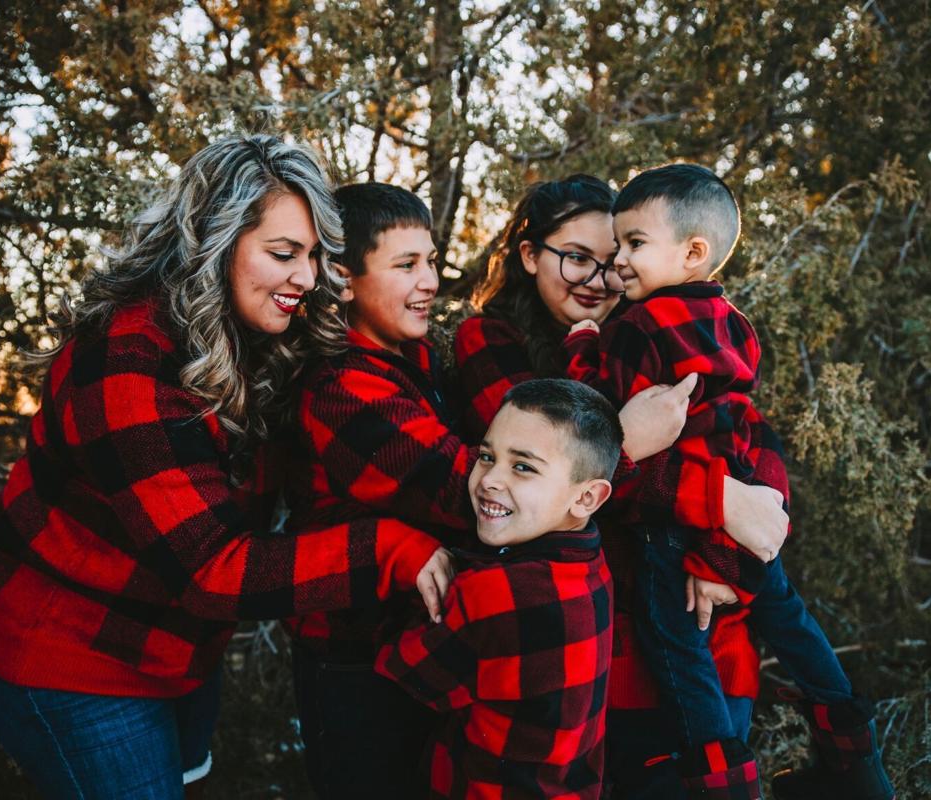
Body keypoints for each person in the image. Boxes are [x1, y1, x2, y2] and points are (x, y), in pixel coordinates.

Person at [0, 136, 445, 800]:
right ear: (211, 241)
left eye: (313, 256)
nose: (304, 278)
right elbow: (213, 570)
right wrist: (390, 549)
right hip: (71, 654)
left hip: (179, 648)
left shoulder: (259, 327)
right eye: (283, 254)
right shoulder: (126, 363)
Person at [284, 182, 689, 798]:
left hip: (447, 638)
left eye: (431, 261)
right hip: (362, 657)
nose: (429, 282)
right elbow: (461, 489)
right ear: (342, 279)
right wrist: (623, 441)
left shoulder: (411, 360)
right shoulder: (343, 384)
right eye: (406, 265)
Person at [564, 162, 894, 800]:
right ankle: (853, 749)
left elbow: (600, 421)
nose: (618, 265)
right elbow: (748, 422)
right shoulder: (735, 323)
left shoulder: (635, 328)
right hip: (738, 505)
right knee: (792, 621)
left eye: (633, 245)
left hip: (673, 526)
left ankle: (722, 781)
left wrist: (583, 342)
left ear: (692, 251)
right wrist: (740, 521)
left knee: (681, 653)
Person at [454, 174, 789, 798]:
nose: (599, 278)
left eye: (614, 259)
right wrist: (717, 495)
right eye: (576, 258)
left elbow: (753, 437)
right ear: (530, 256)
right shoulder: (492, 344)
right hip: (591, 650)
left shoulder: (651, 335)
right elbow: (547, 485)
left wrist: (748, 521)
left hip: (698, 630)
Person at [375, 379, 619, 799]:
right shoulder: (592, 564)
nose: (489, 479)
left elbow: (409, 674)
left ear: (587, 497)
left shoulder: (493, 592)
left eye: (523, 466)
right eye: (486, 456)